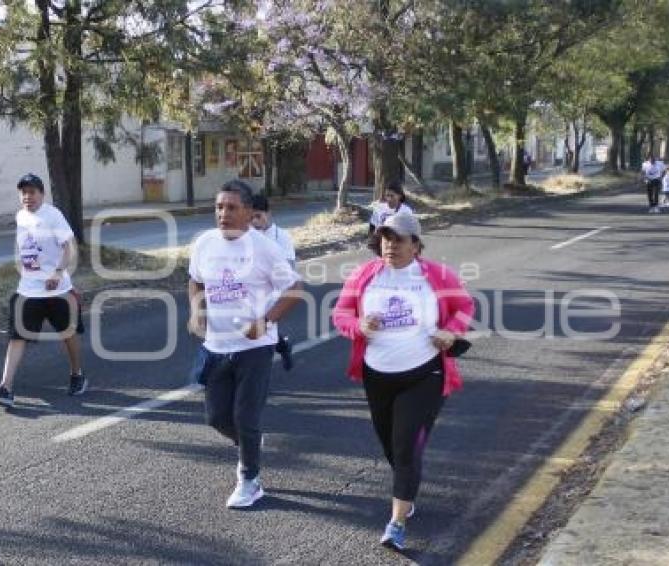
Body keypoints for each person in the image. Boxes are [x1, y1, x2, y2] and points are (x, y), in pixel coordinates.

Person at [332, 212, 474, 551]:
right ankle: (407, 486)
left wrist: (451, 332)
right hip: (376, 374)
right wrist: (359, 327)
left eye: (398, 239)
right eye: (385, 238)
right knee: (391, 445)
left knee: (405, 445)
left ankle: (396, 521)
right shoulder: (364, 275)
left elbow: (464, 306)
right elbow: (340, 313)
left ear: (415, 244)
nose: (389, 245)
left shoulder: (437, 275)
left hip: (424, 372)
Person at [187, 180, 302, 508]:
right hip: (216, 345)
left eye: (232, 207)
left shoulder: (265, 249)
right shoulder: (205, 244)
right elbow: (195, 281)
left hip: (256, 347)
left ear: (250, 213)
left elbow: (295, 287)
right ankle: (249, 442)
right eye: (219, 207)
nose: (223, 214)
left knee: (245, 415)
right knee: (216, 417)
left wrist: (265, 321)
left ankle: (250, 479)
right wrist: (196, 310)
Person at [0, 173, 86, 407]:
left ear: (42, 194)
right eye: (23, 192)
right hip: (28, 289)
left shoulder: (52, 214)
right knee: (17, 336)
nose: (27, 196)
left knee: (67, 334)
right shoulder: (20, 216)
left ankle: (77, 374)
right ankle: (5, 388)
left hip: (57, 289)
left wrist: (58, 272)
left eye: (32, 192)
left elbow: (68, 246)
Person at [250, 193, 295, 371]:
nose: (254, 221)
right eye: (251, 217)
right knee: (258, 331)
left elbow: (290, 269)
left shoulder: (281, 237)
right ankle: (283, 345)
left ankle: (260, 377)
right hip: (253, 293)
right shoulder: (248, 235)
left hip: (274, 294)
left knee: (262, 332)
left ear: (269, 213)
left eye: (258, 216)